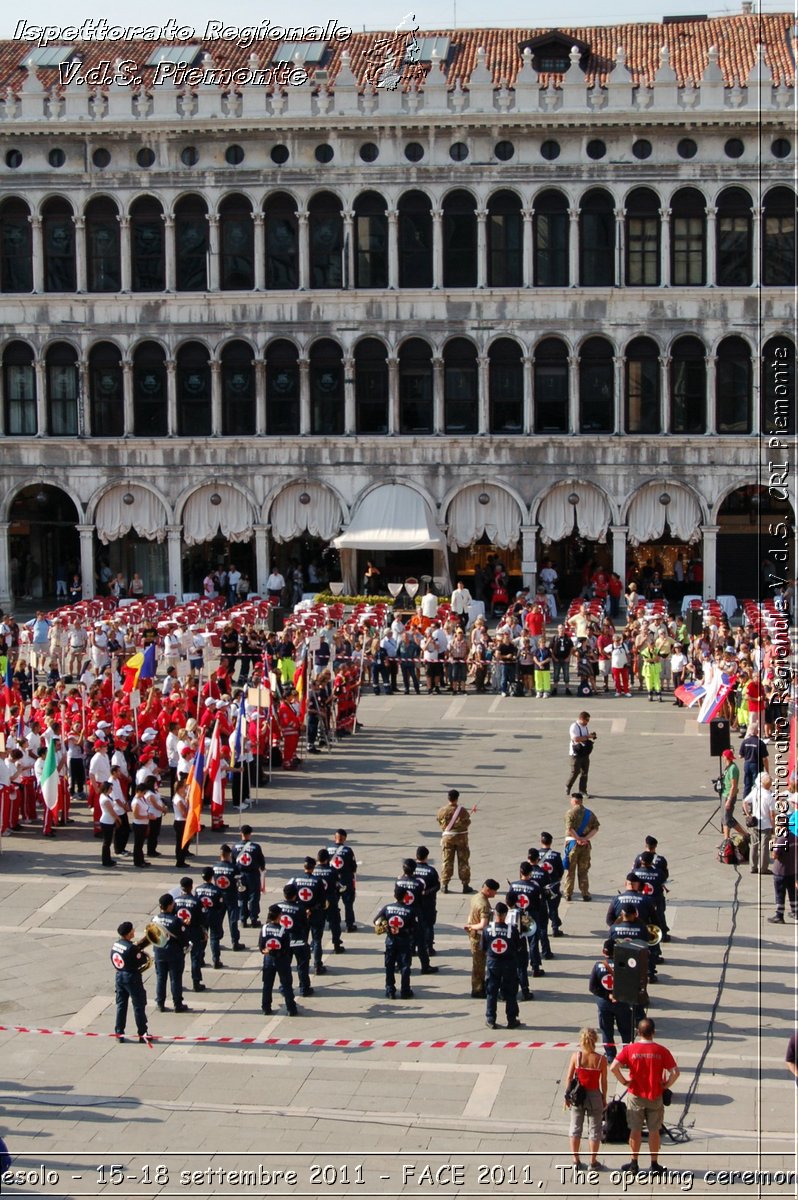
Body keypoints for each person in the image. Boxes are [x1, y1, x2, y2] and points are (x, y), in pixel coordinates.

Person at [610, 1018, 680, 1178]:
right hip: (655, 1095)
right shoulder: (661, 1050)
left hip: (635, 1095)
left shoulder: (630, 1049)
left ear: (638, 1032)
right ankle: (654, 1164)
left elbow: (613, 1067)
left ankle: (634, 1164)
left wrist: (624, 1081)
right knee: (654, 1130)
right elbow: (675, 1072)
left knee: (635, 1130)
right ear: (653, 1032)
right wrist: (666, 1085)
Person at [564, 1027, 609, 1170]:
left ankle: (575, 1160)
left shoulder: (576, 1057)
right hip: (594, 1094)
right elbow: (604, 1081)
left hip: (578, 1095)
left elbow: (569, 1078)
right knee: (595, 1130)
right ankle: (593, 1162)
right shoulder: (601, 1059)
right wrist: (603, 1097)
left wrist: (567, 1095)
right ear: (595, 1040)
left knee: (575, 1127)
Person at [482, 902, 522, 1030]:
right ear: (506, 915)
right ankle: (511, 1019)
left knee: (491, 992)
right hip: (509, 963)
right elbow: (519, 947)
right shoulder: (512, 930)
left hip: (493, 964)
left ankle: (491, 1019)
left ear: (495, 914)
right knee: (510, 992)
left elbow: (483, 947)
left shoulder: (487, 929)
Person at [110, 921, 151, 1043]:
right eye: (132, 930)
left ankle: (119, 1033)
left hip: (119, 976)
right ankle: (142, 1033)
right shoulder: (131, 948)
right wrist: (141, 952)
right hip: (132, 978)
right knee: (139, 1005)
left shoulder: (116, 945)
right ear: (128, 934)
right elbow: (142, 960)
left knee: (121, 1005)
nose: (134, 931)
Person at [151, 894, 191, 1013]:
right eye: (172, 904)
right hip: (174, 954)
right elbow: (183, 938)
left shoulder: (154, 919)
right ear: (169, 906)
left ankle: (160, 1003)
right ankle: (177, 1004)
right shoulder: (176, 921)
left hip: (159, 952)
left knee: (161, 978)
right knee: (175, 979)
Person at [259, 903, 298, 1015]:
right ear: (278, 916)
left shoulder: (264, 928)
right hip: (282, 961)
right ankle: (291, 1008)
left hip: (268, 960)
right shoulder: (283, 931)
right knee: (286, 985)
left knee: (267, 985)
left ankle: (266, 1007)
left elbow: (261, 946)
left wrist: (267, 951)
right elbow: (286, 949)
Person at [464, 879, 499, 999]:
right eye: (494, 891)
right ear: (488, 890)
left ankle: (480, 986)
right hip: (479, 937)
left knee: (477, 963)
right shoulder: (483, 905)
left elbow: (471, 913)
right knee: (479, 965)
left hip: (474, 935)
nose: (495, 894)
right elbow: (483, 925)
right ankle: (478, 989)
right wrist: (471, 926)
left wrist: (470, 924)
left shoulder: (475, 897)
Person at [563, 793, 600, 902]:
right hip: (585, 845)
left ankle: (568, 893)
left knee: (570, 870)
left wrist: (578, 838)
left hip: (573, 845)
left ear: (574, 801)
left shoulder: (570, 813)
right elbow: (596, 828)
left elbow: (569, 829)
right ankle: (585, 893)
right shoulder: (590, 814)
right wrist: (585, 838)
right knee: (583, 870)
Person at [436, 788, 472, 894]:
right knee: (463, 861)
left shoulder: (442, 810)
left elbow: (440, 822)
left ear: (448, 798)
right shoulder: (462, 811)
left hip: (447, 838)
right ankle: (465, 885)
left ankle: (444, 884)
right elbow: (467, 822)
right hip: (461, 838)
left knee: (447, 861)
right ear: (457, 798)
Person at [233, 824, 266, 928]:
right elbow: (262, 862)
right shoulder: (256, 847)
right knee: (254, 897)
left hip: (239, 876)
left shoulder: (234, 847)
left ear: (241, 833)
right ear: (250, 834)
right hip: (253, 875)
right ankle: (253, 919)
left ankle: (242, 919)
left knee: (242, 898)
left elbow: (233, 863)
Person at [742, 772, 775, 875]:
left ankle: (753, 866)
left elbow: (745, 802)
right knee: (764, 847)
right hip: (766, 824)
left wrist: (748, 814)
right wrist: (773, 827)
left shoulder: (756, 791)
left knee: (754, 845)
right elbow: (772, 815)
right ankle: (763, 868)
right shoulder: (770, 796)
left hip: (755, 822)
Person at [194, 867, 226, 970]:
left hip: (202, 916)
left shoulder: (198, 889)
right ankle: (216, 960)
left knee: (202, 937)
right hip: (213, 915)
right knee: (214, 938)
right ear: (212, 877)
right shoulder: (217, 890)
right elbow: (220, 905)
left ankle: (200, 959)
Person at [328, 828, 358, 932]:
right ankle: (349, 925)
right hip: (346, 881)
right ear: (345, 838)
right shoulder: (348, 851)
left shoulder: (328, 849)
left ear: (334, 837)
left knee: (333, 904)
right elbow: (354, 867)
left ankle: (333, 924)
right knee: (348, 904)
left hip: (332, 882)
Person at [720, 748, 748, 843]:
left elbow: (734, 786)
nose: (722, 758)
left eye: (723, 756)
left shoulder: (733, 769)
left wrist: (729, 800)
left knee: (728, 819)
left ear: (726, 757)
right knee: (725, 818)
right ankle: (726, 840)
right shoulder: (728, 767)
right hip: (725, 794)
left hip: (729, 796)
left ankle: (745, 834)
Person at [566, 711, 596, 799]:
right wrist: (587, 737)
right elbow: (576, 738)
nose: (587, 722)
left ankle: (582, 791)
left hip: (584, 753)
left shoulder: (585, 726)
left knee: (584, 773)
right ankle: (568, 785)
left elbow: (585, 736)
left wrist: (591, 735)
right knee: (575, 772)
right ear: (581, 719)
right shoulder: (574, 727)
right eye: (586, 720)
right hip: (575, 754)